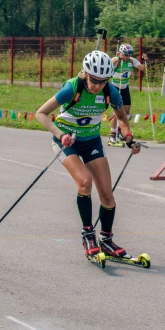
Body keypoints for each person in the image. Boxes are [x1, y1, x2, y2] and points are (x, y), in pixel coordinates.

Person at [35, 50, 142, 259]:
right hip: (67, 141)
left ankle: (107, 240)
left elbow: (121, 117)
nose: (98, 86)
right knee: (85, 182)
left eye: (103, 81)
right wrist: (60, 133)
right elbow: (41, 114)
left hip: (91, 141)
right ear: (86, 74)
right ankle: (88, 234)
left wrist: (129, 137)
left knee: (107, 195)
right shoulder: (72, 88)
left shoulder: (111, 92)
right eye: (94, 80)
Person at [109, 43, 147, 145]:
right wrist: (116, 59)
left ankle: (119, 131)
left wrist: (145, 60)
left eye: (129, 54)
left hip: (125, 87)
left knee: (126, 112)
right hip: (115, 87)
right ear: (121, 53)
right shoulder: (116, 60)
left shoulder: (131, 60)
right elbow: (108, 65)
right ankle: (112, 135)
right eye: (125, 54)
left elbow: (143, 68)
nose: (127, 57)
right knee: (116, 113)